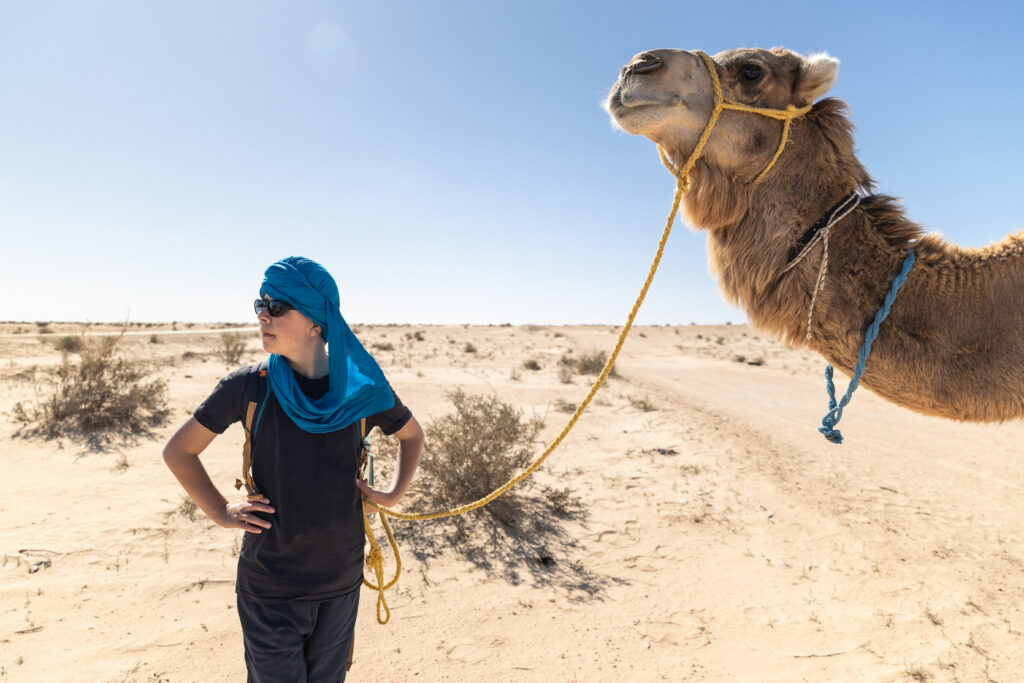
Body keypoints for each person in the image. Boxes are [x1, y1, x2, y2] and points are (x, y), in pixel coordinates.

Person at [163, 256, 424, 682]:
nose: (263, 316)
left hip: (340, 582)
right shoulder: (248, 386)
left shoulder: (362, 392)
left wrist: (393, 494)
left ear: (317, 322)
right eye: (260, 305)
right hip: (270, 586)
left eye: (277, 307)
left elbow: (412, 436)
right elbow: (179, 452)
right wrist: (221, 512)